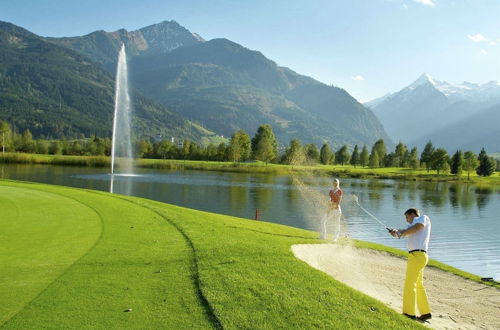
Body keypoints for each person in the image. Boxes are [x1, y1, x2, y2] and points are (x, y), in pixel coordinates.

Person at [389, 208, 432, 322]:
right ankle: (425, 312)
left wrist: (401, 233)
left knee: (410, 284)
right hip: (418, 256)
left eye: (407, 217)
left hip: (417, 256)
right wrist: (396, 232)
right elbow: (406, 231)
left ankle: (409, 313)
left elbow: (417, 228)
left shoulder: (422, 218)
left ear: (412, 214)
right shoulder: (411, 227)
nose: (406, 220)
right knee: (418, 285)